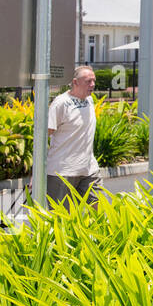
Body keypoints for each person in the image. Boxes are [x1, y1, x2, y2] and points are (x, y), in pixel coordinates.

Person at [45, 66, 104, 206]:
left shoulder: (89, 100)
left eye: (94, 81)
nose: (93, 85)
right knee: (62, 221)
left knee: (99, 213)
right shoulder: (61, 103)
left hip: (89, 170)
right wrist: (37, 173)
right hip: (62, 172)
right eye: (88, 81)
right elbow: (43, 137)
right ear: (75, 82)